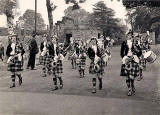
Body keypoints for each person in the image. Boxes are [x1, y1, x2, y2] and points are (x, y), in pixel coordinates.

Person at [120, 32, 142, 96]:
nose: (129, 36)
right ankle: (129, 89)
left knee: (132, 76)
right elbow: (121, 52)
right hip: (126, 59)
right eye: (128, 35)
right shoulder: (124, 43)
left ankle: (132, 85)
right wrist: (124, 57)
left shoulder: (135, 42)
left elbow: (140, 52)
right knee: (127, 76)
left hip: (133, 59)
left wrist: (136, 53)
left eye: (130, 35)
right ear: (126, 36)